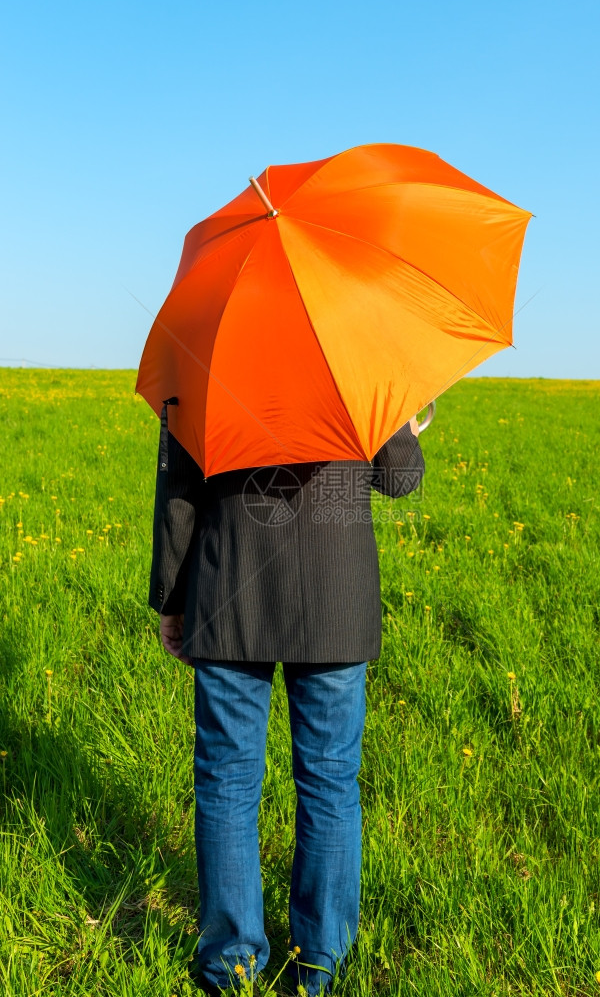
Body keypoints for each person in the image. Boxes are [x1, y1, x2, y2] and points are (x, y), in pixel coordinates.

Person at [149, 413, 425, 995]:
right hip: (335, 606)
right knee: (329, 781)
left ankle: (232, 967)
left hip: (228, 599)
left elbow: (179, 492)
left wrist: (172, 599)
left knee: (226, 781)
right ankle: (319, 964)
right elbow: (401, 478)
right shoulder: (354, 355)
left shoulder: (206, 354)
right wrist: (403, 422)